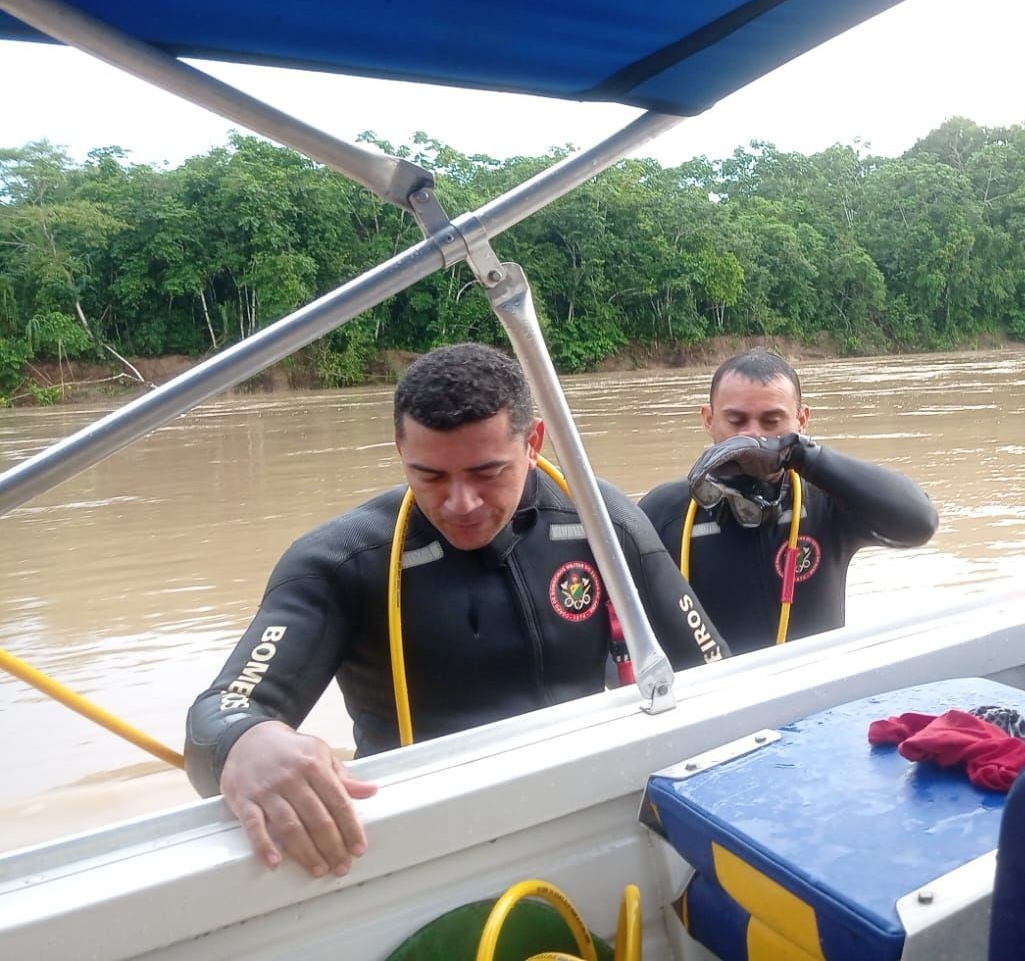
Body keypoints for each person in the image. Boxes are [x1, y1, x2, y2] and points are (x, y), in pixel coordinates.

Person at [185, 342, 727, 877]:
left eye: (487, 472)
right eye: (431, 476)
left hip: (587, 815)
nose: (461, 503)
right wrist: (246, 742)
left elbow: (717, 670)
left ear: (534, 442)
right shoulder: (343, 561)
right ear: (400, 451)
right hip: (427, 846)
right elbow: (220, 712)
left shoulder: (598, 519)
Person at [638, 349, 939, 655]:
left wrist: (804, 456)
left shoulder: (827, 501)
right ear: (709, 419)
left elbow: (920, 523)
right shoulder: (665, 512)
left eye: (772, 421)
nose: (753, 436)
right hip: (715, 686)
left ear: (801, 420)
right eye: (736, 421)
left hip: (814, 683)